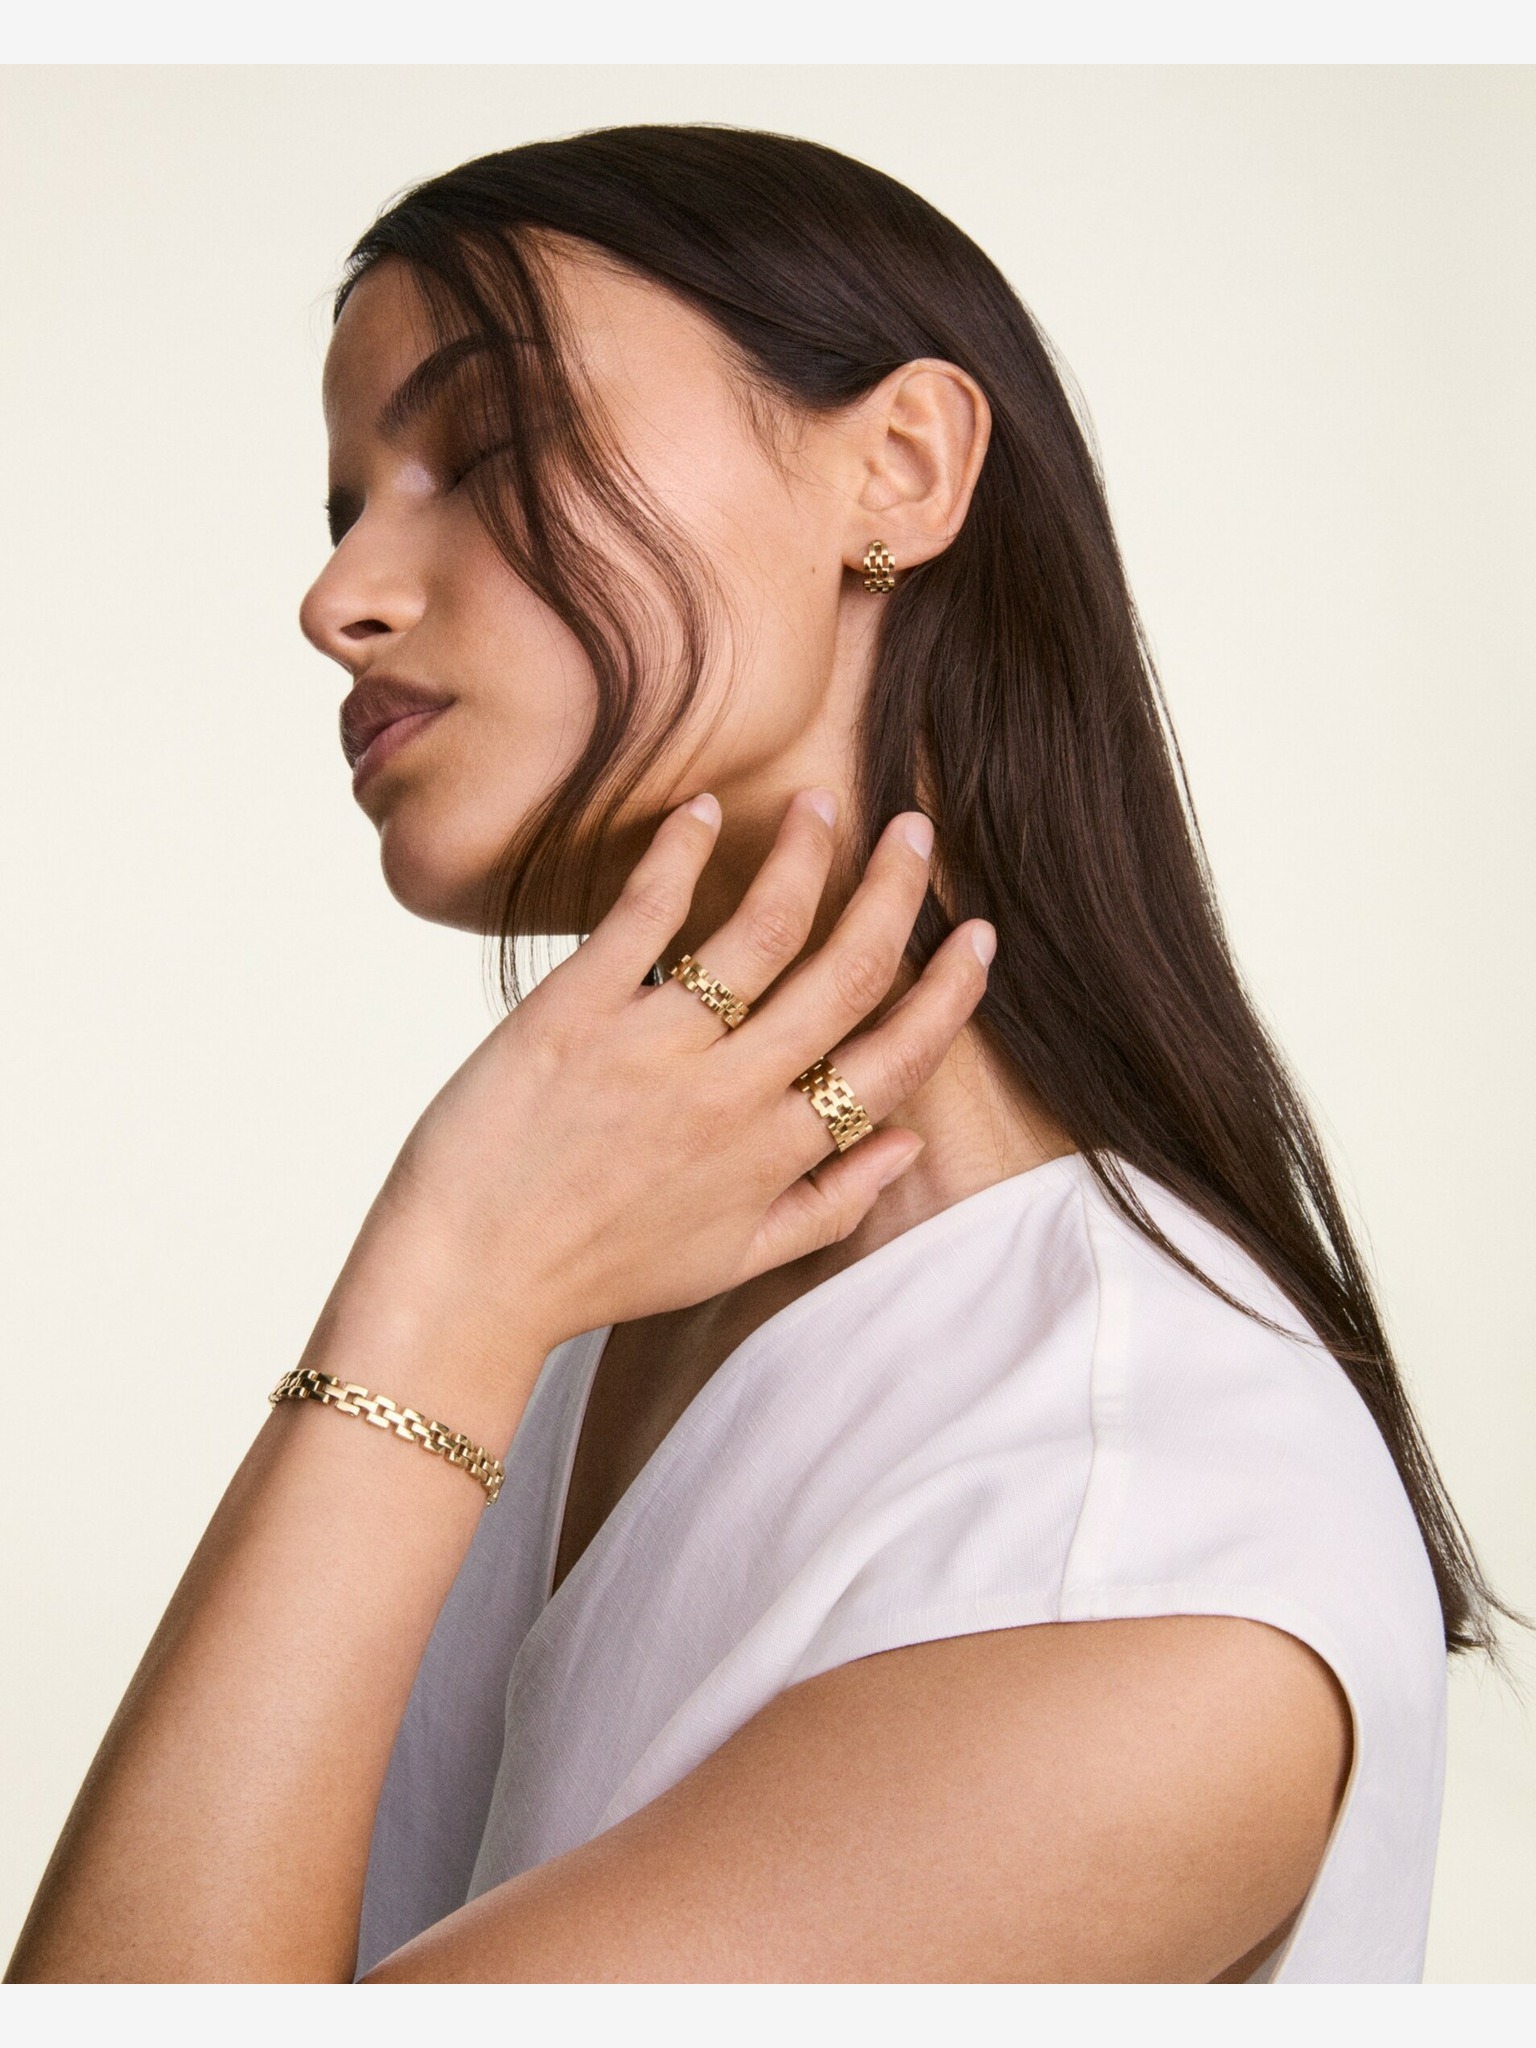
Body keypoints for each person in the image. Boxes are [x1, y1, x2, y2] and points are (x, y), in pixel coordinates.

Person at [7, 124, 1500, 1986]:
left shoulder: (1121, 1549)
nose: (340, 601)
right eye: (343, 515)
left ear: (901, 467)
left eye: (491, 448)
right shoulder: (635, 1317)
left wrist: (441, 1292)